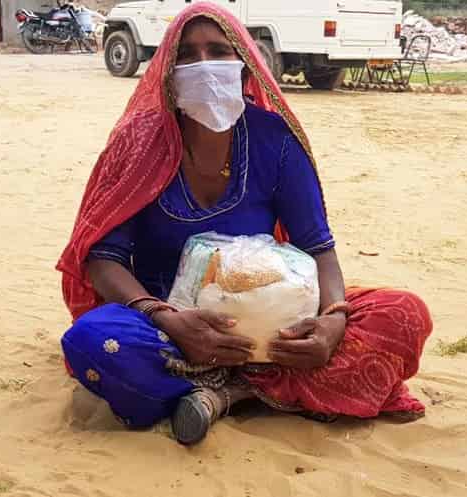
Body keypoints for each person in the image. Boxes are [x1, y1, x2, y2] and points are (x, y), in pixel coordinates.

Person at [55, 2, 434, 445]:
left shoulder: (274, 138)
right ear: (167, 70)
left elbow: (318, 247)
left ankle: (229, 393)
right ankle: (275, 391)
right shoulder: (139, 141)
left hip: (280, 324)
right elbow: (103, 259)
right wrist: (167, 318)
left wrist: (331, 320)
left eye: (218, 51)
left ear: (244, 62)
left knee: (404, 313)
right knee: (93, 341)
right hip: (172, 326)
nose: (204, 66)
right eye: (188, 55)